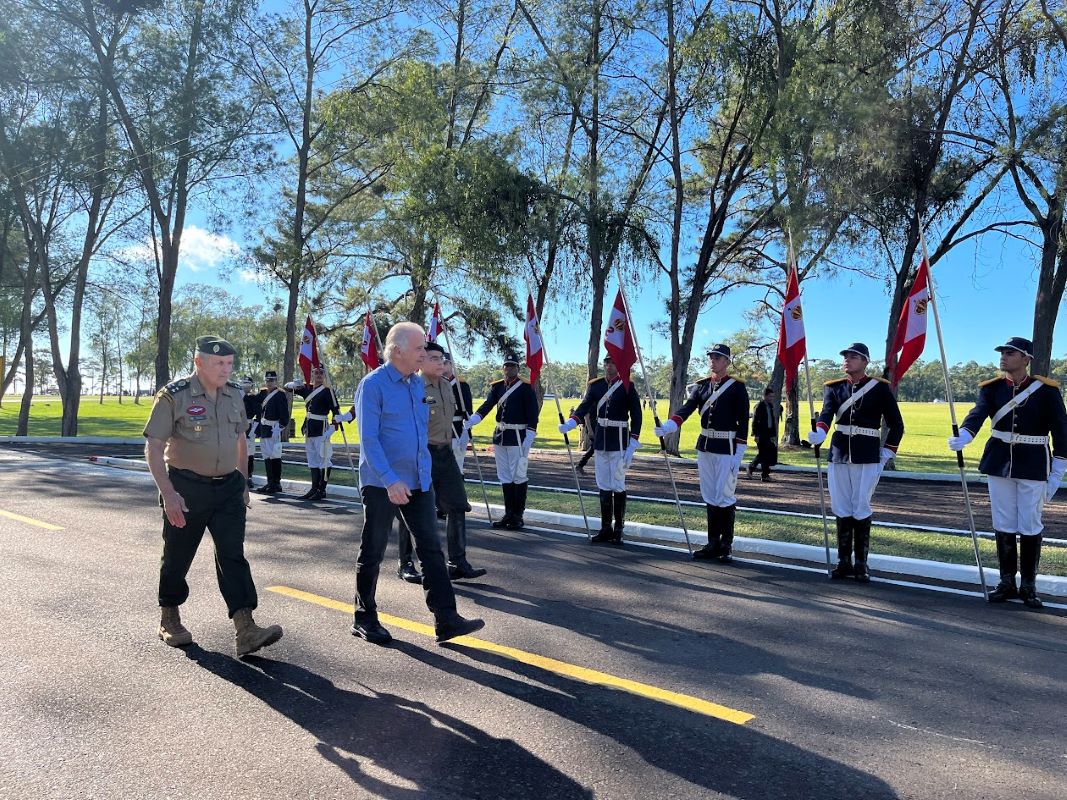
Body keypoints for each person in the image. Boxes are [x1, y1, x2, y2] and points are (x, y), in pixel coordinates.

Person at [143, 335, 283, 657]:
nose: (226, 369)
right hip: (186, 488)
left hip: (228, 489)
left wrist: (244, 482)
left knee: (233, 555)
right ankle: (169, 617)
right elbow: (153, 446)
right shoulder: (173, 396)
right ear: (199, 362)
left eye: (230, 364)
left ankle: (245, 627)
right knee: (178, 556)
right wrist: (169, 493)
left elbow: (240, 441)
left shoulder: (234, 394)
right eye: (219, 363)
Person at [351, 321, 484, 645]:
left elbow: (420, 434)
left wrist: (425, 474)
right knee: (374, 549)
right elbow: (368, 439)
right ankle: (364, 616)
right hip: (383, 482)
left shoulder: (415, 384)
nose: (424, 353)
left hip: (418, 481)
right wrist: (390, 480)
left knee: (431, 549)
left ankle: (446, 618)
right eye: (419, 348)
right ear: (397, 351)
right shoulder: (373, 385)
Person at [948, 336, 1067, 609]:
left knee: (1029, 523)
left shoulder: (1046, 391)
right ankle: (1006, 582)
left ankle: (1028, 585)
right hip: (999, 461)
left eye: (1010, 353)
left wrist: (1059, 468)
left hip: (1034, 463)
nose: (1003, 357)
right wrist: (966, 434)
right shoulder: (992, 389)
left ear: (1026, 359)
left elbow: (1061, 430)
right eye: (1002, 352)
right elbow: (979, 413)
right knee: (1003, 523)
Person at [808, 342, 904, 583]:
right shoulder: (834, 388)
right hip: (839, 453)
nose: (847, 360)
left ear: (865, 362)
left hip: (867, 454)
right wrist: (821, 431)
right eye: (846, 356)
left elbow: (896, 424)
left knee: (860, 506)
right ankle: (843, 562)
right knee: (841, 506)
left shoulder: (880, 389)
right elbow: (827, 414)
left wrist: (887, 452)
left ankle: (861, 564)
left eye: (853, 357)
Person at [654, 344, 749, 562]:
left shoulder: (736, 387)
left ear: (727, 361)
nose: (713, 360)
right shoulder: (702, 387)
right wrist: (669, 426)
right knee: (710, 494)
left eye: (718, 357)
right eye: (711, 357)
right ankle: (712, 542)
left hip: (727, 448)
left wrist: (739, 451)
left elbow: (744, 421)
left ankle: (726, 545)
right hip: (705, 445)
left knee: (724, 495)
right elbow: (687, 409)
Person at [559, 354, 642, 544]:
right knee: (604, 484)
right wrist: (572, 423)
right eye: (606, 362)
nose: (609, 366)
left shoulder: (627, 385)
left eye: (613, 362)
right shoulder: (596, 386)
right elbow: (584, 406)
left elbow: (637, 415)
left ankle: (618, 528)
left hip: (619, 441)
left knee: (618, 483)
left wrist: (633, 443)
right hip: (602, 441)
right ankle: (606, 528)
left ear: (618, 365)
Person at [422, 342, 486, 579]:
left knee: (458, 506)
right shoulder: (415, 387)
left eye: (442, 359)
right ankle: (407, 562)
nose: (440, 363)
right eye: (434, 358)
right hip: (423, 454)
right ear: (421, 360)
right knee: (419, 510)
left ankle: (457, 562)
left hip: (446, 453)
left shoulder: (449, 388)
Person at [466, 353, 540, 530]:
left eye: (512, 366)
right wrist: (474, 419)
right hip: (500, 435)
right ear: (503, 368)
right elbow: (488, 405)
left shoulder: (525, 388)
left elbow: (532, 414)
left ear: (517, 368)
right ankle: (508, 513)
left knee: (518, 475)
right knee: (505, 476)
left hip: (517, 436)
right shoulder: (498, 387)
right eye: (506, 366)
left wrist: (529, 437)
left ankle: (517, 515)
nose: (509, 369)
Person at [286, 366, 343, 501]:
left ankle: (321, 490)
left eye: (321, 373)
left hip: (322, 429)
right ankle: (313, 488)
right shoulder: (307, 389)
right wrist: (296, 384)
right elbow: (287, 388)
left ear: (324, 375)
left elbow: (336, 412)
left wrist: (332, 429)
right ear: (312, 374)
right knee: (312, 460)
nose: (318, 375)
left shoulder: (328, 391)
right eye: (316, 372)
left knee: (324, 459)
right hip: (309, 429)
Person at [254, 369, 290, 495]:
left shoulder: (280, 394)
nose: (269, 383)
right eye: (268, 380)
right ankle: (270, 482)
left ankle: (276, 483)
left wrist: (280, 427)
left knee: (275, 455)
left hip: (274, 428)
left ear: (276, 381)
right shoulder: (263, 393)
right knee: (266, 455)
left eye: (272, 380)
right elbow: (253, 401)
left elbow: (285, 414)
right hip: (264, 428)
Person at [444, 354, 474, 473]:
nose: (442, 366)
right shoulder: (435, 384)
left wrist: (466, 432)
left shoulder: (461, 385)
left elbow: (468, 411)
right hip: (439, 430)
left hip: (456, 430)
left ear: (451, 365)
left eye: (445, 363)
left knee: (456, 466)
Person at [748, 387, 780, 482]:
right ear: (765, 396)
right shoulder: (759, 406)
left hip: (768, 434)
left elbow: (771, 421)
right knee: (763, 453)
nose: (771, 398)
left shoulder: (770, 406)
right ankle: (752, 468)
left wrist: (773, 434)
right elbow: (755, 422)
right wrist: (756, 434)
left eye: (773, 396)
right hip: (761, 434)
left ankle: (765, 474)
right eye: (770, 396)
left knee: (767, 453)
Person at [240, 376, 261, 488]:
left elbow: (258, 414)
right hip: (237, 425)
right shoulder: (235, 397)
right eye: (243, 383)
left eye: (247, 383)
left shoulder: (252, 397)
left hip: (248, 424)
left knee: (249, 453)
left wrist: (253, 430)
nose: (245, 386)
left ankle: (249, 477)